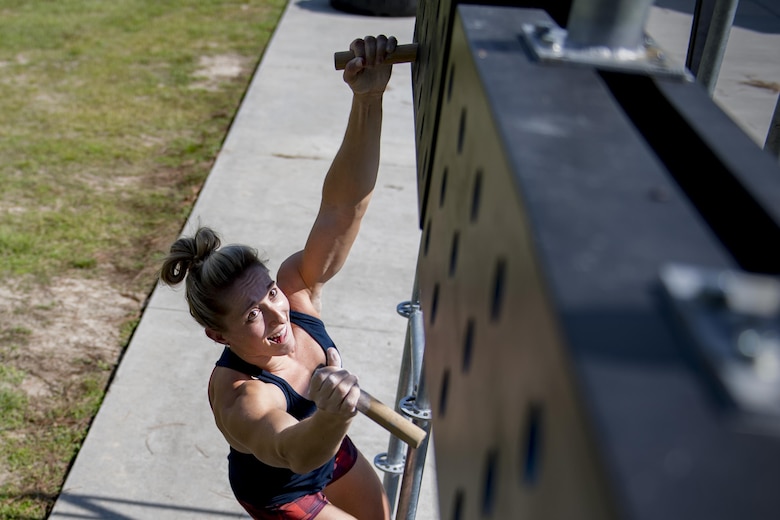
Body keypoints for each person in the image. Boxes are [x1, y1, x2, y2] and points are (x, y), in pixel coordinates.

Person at [158, 35, 398, 519]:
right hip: (284, 490)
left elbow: (342, 209)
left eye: (270, 293)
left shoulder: (297, 292)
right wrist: (332, 415)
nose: (277, 314)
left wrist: (368, 98)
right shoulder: (242, 396)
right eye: (252, 314)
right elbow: (295, 451)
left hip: (330, 445)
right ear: (218, 335)